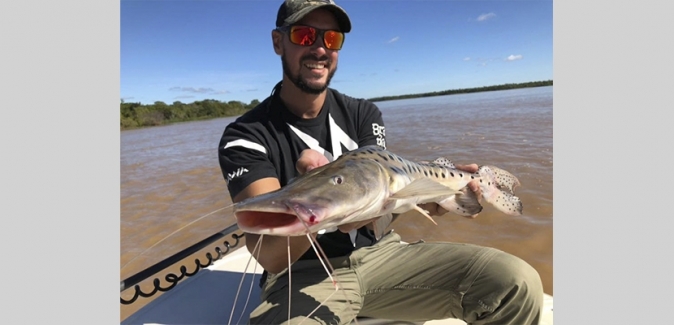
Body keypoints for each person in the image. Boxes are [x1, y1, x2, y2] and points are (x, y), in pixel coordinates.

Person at [218, 1, 544, 324]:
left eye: (331, 39)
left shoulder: (363, 113)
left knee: (515, 283)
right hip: (303, 274)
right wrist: (315, 211)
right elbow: (271, 257)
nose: (319, 49)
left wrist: (441, 200)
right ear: (278, 42)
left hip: (384, 255)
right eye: (304, 35)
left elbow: (385, 195)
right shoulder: (245, 135)